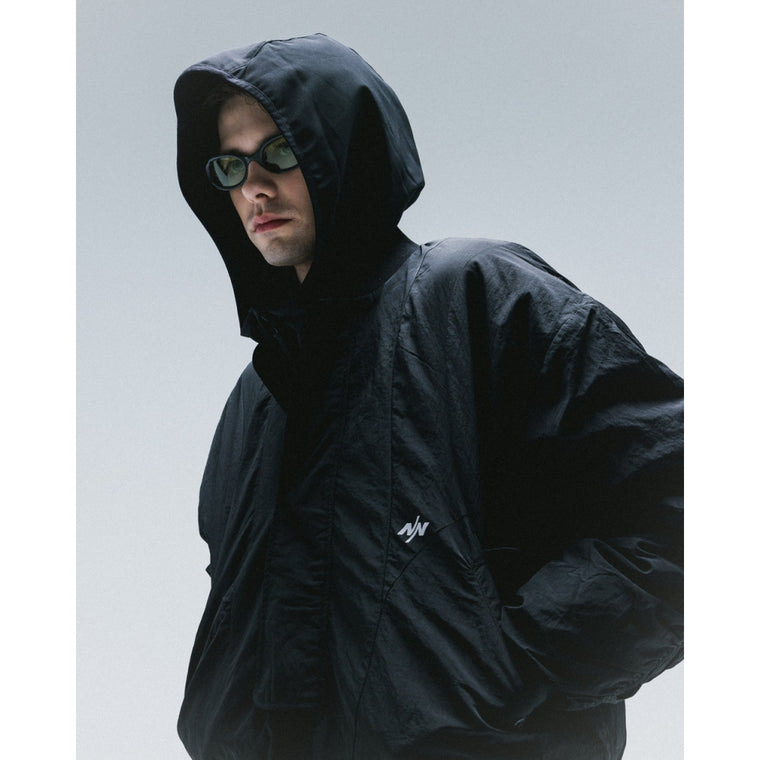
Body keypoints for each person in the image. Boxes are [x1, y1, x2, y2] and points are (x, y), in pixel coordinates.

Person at [173, 33, 683, 760]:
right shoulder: (255, 405)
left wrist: (507, 674)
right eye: (231, 165)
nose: (255, 187)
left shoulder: (476, 299)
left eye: (280, 152)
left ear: (346, 152)